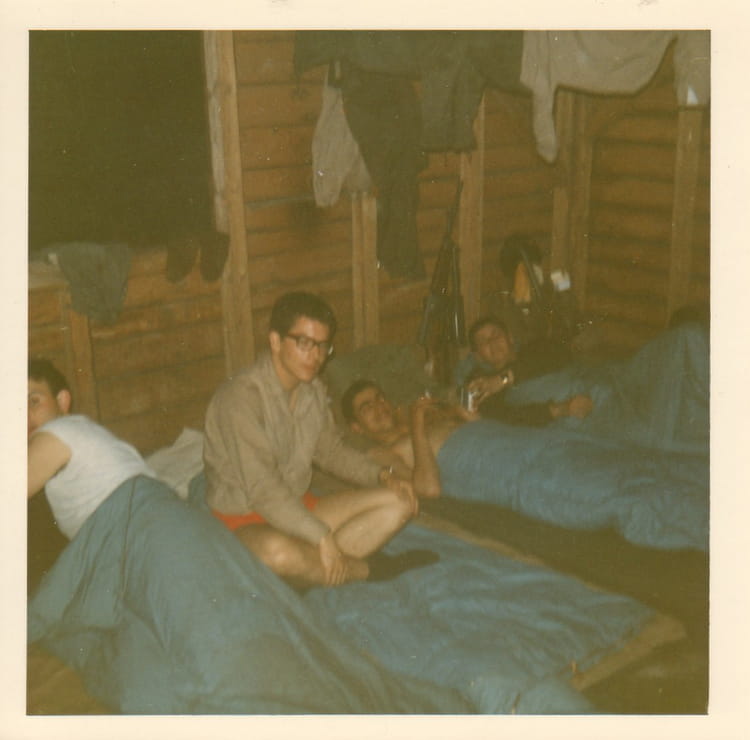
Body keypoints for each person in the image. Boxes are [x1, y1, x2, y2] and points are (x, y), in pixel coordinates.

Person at [203, 291, 433, 589]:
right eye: (304, 343)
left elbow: (331, 452)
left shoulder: (311, 391)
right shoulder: (240, 399)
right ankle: (365, 569)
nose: (316, 356)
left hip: (297, 505)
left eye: (323, 346)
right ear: (275, 341)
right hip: (244, 517)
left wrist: (382, 476)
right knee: (279, 552)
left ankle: (312, 569)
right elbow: (262, 489)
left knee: (401, 501)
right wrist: (321, 536)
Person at [27, 358, 156, 540]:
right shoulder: (79, 432)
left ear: (62, 401)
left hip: (143, 526)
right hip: (151, 521)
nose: (23, 415)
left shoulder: (57, 431)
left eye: (34, 401)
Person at [341, 379, 469, 499]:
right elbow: (427, 489)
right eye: (368, 407)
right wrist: (417, 424)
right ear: (356, 427)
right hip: (468, 465)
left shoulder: (419, 419)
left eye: (380, 398)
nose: (379, 406)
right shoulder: (380, 454)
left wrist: (460, 411)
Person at [455, 315, 593, 427]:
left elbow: (560, 354)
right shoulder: (480, 384)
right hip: (560, 418)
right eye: (483, 341)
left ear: (510, 338)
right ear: (478, 356)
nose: (492, 342)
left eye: (496, 334)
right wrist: (560, 410)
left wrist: (503, 379)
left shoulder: (535, 348)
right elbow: (507, 418)